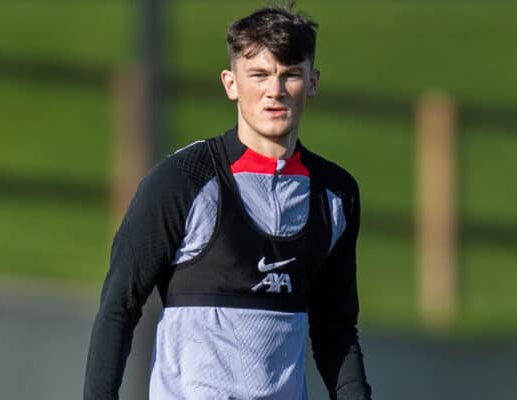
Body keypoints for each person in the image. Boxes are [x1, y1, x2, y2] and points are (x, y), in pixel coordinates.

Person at [84, 4, 372, 400]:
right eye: (259, 75)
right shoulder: (181, 180)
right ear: (230, 83)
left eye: (290, 74)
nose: (275, 91)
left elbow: (335, 331)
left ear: (313, 81)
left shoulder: (335, 195)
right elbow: (119, 308)